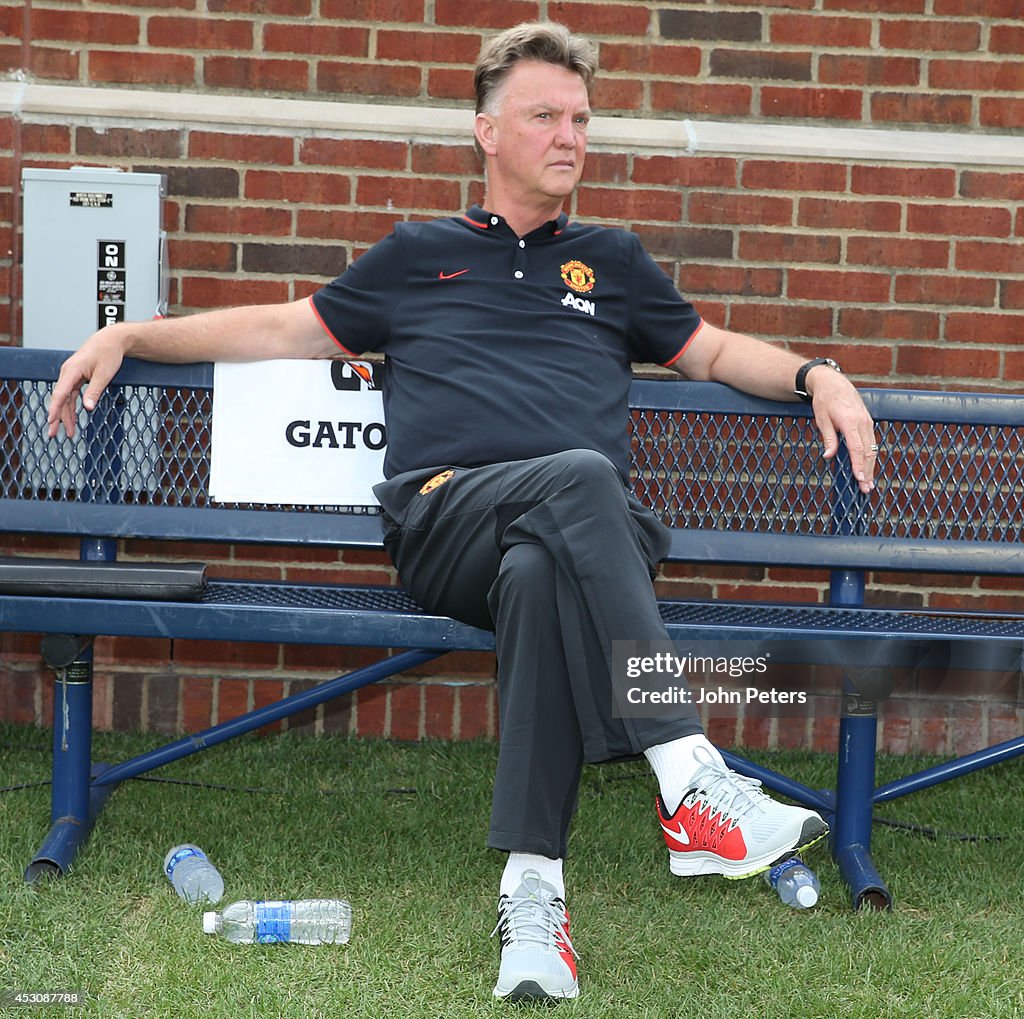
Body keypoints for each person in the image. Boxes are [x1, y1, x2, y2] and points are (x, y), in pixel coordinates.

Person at [48, 21, 877, 1004]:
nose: (570, 135)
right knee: (575, 478)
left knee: (544, 565)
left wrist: (817, 374)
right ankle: (688, 773)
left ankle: (533, 904)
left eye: (580, 117)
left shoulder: (610, 259)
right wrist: (134, 330)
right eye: (544, 116)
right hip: (445, 525)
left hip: (572, 542)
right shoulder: (420, 255)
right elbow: (281, 326)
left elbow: (708, 350)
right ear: (487, 131)